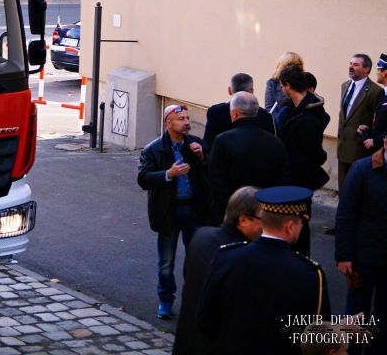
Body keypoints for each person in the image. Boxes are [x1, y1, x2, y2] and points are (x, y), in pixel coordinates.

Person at [197, 186, 331, 354]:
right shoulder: (310, 274)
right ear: (290, 226)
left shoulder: (226, 257)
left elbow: (205, 321)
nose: (302, 227)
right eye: (301, 222)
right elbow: (316, 338)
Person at [137, 104, 209, 320]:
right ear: (168, 123)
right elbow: (143, 179)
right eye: (181, 119)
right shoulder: (153, 149)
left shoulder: (196, 145)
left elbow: (211, 174)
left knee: (196, 259)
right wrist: (168, 173)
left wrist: (203, 158)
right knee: (166, 262)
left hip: (194, 211)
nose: (187, 122)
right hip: (169, 212)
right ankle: (166, 300)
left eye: (188, 118)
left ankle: (193, 301)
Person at [172, 186, 263, 355]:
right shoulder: (241, 256)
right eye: (262, 219)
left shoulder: (201, 235)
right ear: (243, 220)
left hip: (187, 339)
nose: (265, 226)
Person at [206, 92, 290, 225]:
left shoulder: (222, 141)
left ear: (234, 113)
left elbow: (216, 180)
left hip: (230, 216)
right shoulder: (276, 143)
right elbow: (283, 181)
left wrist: (228, 208)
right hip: (265, 215)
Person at [334, 143, 387, 355]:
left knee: (384, 316)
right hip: (362, 260)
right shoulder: (362, 169)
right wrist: (344, 256)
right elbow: (345, 214)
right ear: (385, 142)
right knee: (356, 314)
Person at [278, 65, 331, 256]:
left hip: (299, 180)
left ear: (289, 86)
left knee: (299, 226)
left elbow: (314, 151)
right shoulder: (294, 109)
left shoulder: (307, 117)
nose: (281, 90)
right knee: (289, 224)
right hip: (291, 177)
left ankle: (301, 264)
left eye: (282, 86)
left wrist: (320, 157)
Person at [337, 54, 383, 195]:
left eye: (356, 65)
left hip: (360, 149)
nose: (351, 67)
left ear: (366, 69)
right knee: (343, 188)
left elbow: (378, 120)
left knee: (356, 190)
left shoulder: (375, 91)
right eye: (350, 63)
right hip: (342, 145)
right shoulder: (345, 86)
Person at [203, 72, 275, 148]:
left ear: (229, 90)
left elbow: (208, 144)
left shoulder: (215, 112)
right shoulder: (265, 116)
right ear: (251, 91)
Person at [358, 54, 387, 154]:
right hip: (378, 152)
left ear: (385, 72)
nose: (376, 73)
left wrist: (375, 141)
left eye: (378, 70)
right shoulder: (383, 93)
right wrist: (368, 130)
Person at [266, 51, 305, 119]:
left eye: (298, 65)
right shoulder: (272, 83)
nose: (294, 67)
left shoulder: (305, 82)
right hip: (278, 124)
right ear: (282, 66)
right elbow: (269, 108)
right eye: (290, 64)